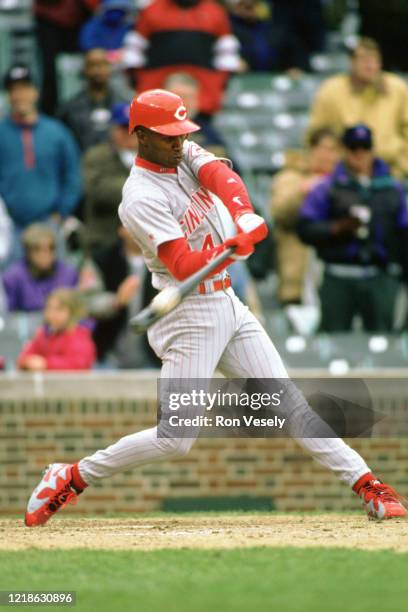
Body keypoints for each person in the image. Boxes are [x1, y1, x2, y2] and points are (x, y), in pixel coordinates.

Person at [24, 90, 406, 527]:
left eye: (180, 133)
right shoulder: (139, 197)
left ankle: (368, 485)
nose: (178, 141)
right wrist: (227, 247)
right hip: (188, 313)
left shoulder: (181, 151)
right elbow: (182, 264)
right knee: (175, 439)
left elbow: (222, 177)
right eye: (168, 135)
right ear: (141, 136)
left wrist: (242, 216)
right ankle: (71, 476)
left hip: (226, 301)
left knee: (291, 405)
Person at [298, 124, 408, 333]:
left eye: (364, 147)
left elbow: (404, 231)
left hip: (380, 275)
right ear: (345, 151)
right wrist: (336, 228)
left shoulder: (391, 187)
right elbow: (305, 228)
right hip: (338, 274)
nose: (359, 153)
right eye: (353, 148)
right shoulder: (329, 186)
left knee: (383, 340)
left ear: (372, 149)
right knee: (334, 339)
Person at [0, 65, 82, 261]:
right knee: (11, 286)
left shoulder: (56, 131)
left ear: (35, 92)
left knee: (58, 285)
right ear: (8, 95)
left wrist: (61, 212)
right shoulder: (1, 132)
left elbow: (73, 175)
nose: (19, 95)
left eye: (24, 88)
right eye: (14, 90)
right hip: (10, 226)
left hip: (49, 223)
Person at [308, 37, 408, 177]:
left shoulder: (398, 89)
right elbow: (316, 135)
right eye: (364, 60)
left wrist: (402, 167)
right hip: (343, 172)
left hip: (391, 170)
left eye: (374, 60)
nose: (370, 65)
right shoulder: (331, 91)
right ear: (352, 62)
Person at [122, 0, 241, 115]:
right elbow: (134, 51)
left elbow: (227, 54)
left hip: (204, 97)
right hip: (155, 92)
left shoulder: (214, 12)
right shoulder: (151, 10)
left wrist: (220, 84)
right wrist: (137, 81)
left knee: (199, 132)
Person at [271, 128, 339, 306]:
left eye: (333, 150)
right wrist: (303, 191)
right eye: (323, 148)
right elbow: (279, 212)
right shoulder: (291, 176)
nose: (328, 155)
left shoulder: (345, 181)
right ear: (311, 149)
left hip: (337, 275)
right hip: (297, 276)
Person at [82, 101, 136, 253]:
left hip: (141, 243)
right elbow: (96, 190)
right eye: (123, 128)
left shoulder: (150, 156)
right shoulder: (97, 155)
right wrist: (141, 187)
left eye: (133, 128)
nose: (129, 133)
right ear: (113, 129)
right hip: (104, 239)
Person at [57, 48, 131, 151]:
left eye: (102, 64)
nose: (97, 70)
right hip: (83, 162)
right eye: (92, 65)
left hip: (120, 164)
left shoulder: (127, 102)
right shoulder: (69, 108)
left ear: (110, 67)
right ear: (84, 70)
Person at [34, 0, 94, 115]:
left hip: (82, 17)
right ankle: (50, 114)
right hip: (49, 19)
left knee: (89, 68)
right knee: (50, 73)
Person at [2, 224, 78, 313]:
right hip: (26, 325)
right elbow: (9, 315)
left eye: (50, 248)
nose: (45, 255)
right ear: (28, 252)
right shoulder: (13, 277)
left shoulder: (68, 274)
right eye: (38, 250)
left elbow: (76, 312)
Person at [17, 288, 96, 371]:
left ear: (72, 311)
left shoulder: (79, 334)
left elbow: (79, 364)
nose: (52, 314)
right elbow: (23, 358)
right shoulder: (44, 334)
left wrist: (46, 363)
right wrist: (27, 362)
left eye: (59, 309)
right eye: (49, 308)